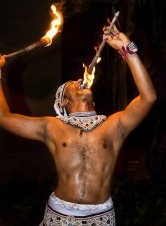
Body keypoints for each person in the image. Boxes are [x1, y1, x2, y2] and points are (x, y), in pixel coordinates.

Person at [0, 25, 157, 226]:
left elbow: (149, 97)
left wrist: (127, 49)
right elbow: (4, 117)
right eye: (71, 84)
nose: (79, 80)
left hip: (101, 217)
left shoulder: (114, 125)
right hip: (60, 215)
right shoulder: (51, 127)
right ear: (63, 103)